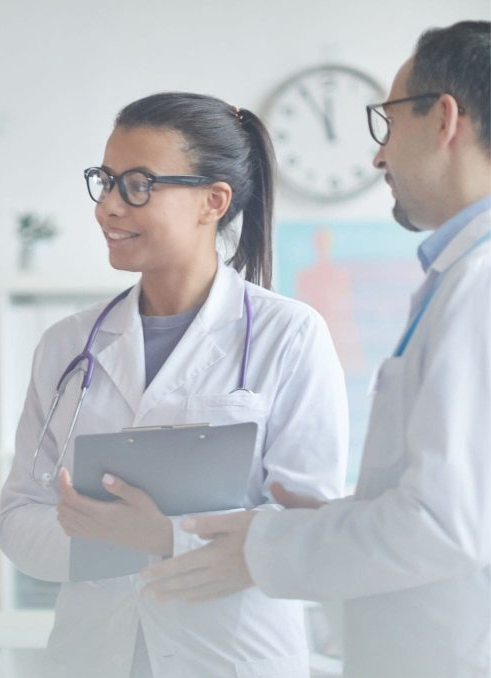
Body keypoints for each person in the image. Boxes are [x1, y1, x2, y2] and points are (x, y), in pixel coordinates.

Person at [142, 20, 491, 678]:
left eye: (388, 124)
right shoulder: (458, 277)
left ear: (444, 119)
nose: (378, 157)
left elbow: (445, 524)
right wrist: (330, 524)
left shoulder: (479, 284)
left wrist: (268, 544)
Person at [0, 92, 348, 677]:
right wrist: (109, 540)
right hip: (92, 658)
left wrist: (164, 537)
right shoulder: (66, 345)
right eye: (105, 181)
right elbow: (18, 517)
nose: (108, 206)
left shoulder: (289, 335)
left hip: (229, 658)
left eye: (138, 185)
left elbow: (310, 524)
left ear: (213, 201)